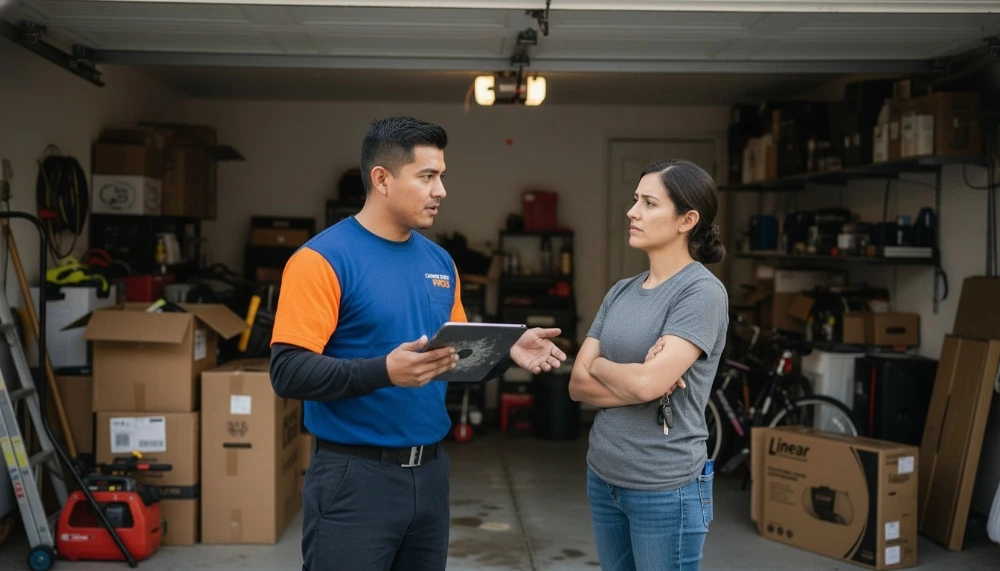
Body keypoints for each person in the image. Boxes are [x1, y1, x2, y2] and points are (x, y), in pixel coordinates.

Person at [268, 116, 567, 571]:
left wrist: (508, 351)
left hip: (430, 475)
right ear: (382, 179)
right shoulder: (321, 260)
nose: (441, 190)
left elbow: (455, 359)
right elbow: (287, 371)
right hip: (353, 477)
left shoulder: (440, 261)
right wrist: (383, 371)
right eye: (427, 176)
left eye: (442, 176)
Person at [568, 158, 729, 571]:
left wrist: (602, 366)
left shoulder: (701, 293)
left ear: (686, 219)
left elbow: (644, 386)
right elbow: (576, 385)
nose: (632, 212)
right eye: (634, 199)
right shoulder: (621, 291)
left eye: (649, 203)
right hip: (603, 475)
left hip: (665, 486)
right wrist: (635, 375)